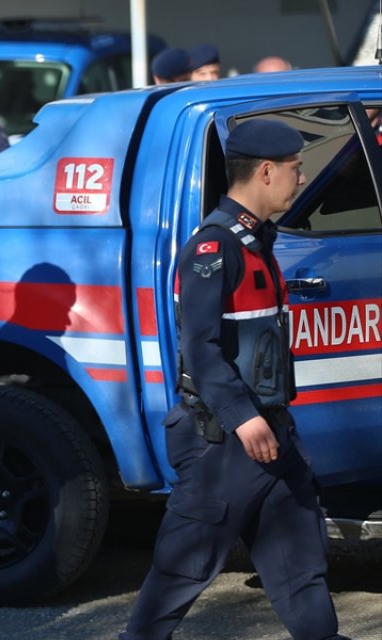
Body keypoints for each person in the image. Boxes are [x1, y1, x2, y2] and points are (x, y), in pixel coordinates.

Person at [120, 119, 351, 640]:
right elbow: (198, 348)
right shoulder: (214, 248)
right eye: (295, 169)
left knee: (300, 562)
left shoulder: (254, 240)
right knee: (185, 565)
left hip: (271, 433)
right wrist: (244, 419)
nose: (302, 177)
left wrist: (266, 420)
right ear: (265, 172)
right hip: (224, 443)